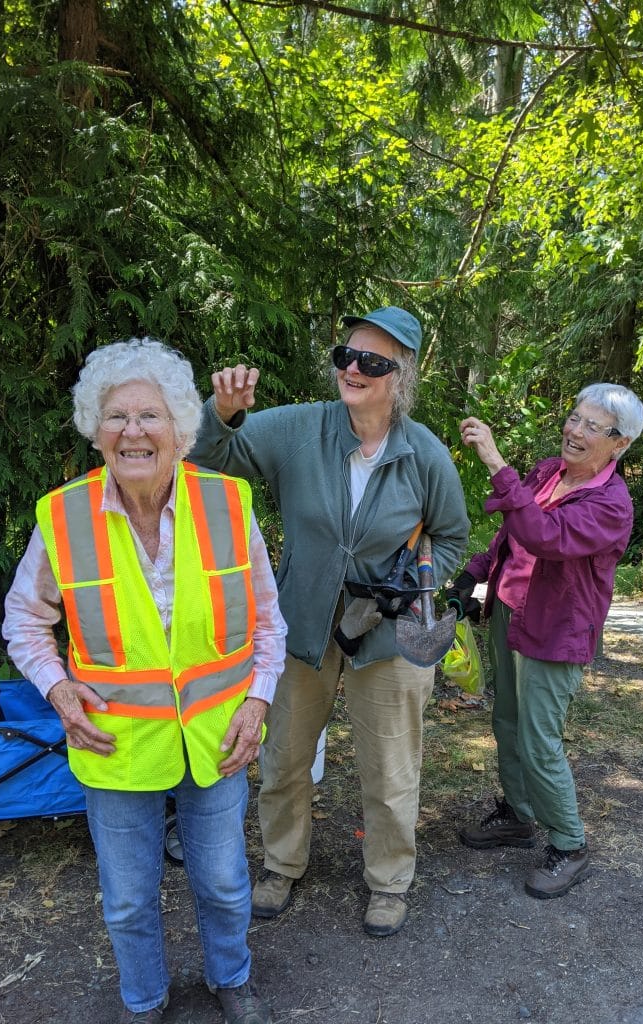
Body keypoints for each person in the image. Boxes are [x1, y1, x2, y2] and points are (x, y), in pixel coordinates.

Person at [2, 339, 287, 1024]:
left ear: (181, 428)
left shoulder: (225, 503)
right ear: (94, 429)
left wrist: (257, 700)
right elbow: (23, 621)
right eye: (116, 416)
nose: (133, 431)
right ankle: (143, 999)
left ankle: (233, 978)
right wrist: (60, 691)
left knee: (222, 883)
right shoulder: (63, 518)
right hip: (116, 744)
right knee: (127, 896)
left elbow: (270, 622)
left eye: (150, 416)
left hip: (219, 737)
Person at [189, 306, 469, 937]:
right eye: (347, 355)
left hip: (389, 633)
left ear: (401, 376)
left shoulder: (424, 453)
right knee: (284, 754)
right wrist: (224, 412)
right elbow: (214, 456)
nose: (353, 369)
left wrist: (415, 580)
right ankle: (282, 865)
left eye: (373, 362)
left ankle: (390, 880)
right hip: (302, 624)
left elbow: (452, 535)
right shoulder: (299, 430)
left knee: (392, 764)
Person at [449, 383, 643, 899]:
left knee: (539, 740)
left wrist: (493, 458)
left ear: (619, 444)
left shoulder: (611, 504)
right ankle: (518, 815)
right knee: (507, 723)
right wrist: (476, 571)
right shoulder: (547, 472)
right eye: (574, 418)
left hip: (556, 631)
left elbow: (545, 537)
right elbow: (513, 536)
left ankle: (570, 845)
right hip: (510, 615)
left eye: (591, 426)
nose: (574, 431)